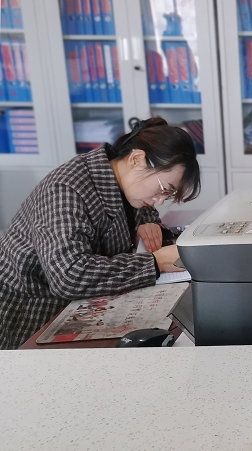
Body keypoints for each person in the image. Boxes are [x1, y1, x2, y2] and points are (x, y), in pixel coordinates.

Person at [0, 117, 200, 349]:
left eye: (167, 195)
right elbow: (69, 275)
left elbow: (138, 204)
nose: (160, 200)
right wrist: (154, 263)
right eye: (164, 189)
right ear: (136, 159)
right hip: (26, 312)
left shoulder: (120, 178)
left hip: (73, 307)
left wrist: (147, 219)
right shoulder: (66, 189)